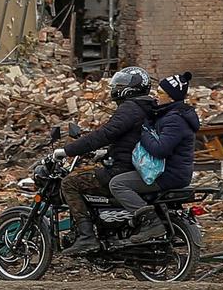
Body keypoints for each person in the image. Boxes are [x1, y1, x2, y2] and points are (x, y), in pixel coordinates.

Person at [52, 66, 157, 256]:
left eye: (121, 84)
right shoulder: (147, 107)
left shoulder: (130, 108)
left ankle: (86, 237)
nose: (116, 87)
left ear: (131, 88)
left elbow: (105, 134)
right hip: (135, 166)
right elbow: (128, 139)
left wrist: (67, 150)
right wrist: (106, 153)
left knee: (70, 183)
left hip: (122, 169)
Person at [109, 71, 200, 243]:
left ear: (171, 98)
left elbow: (160, 149)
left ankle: (150, 223)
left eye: (160, 93)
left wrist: (144, 131)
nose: (156, 97)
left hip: (169, 175)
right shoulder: (170, 115)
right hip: (172, 172)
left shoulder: (175, 120)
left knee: (118, 183)